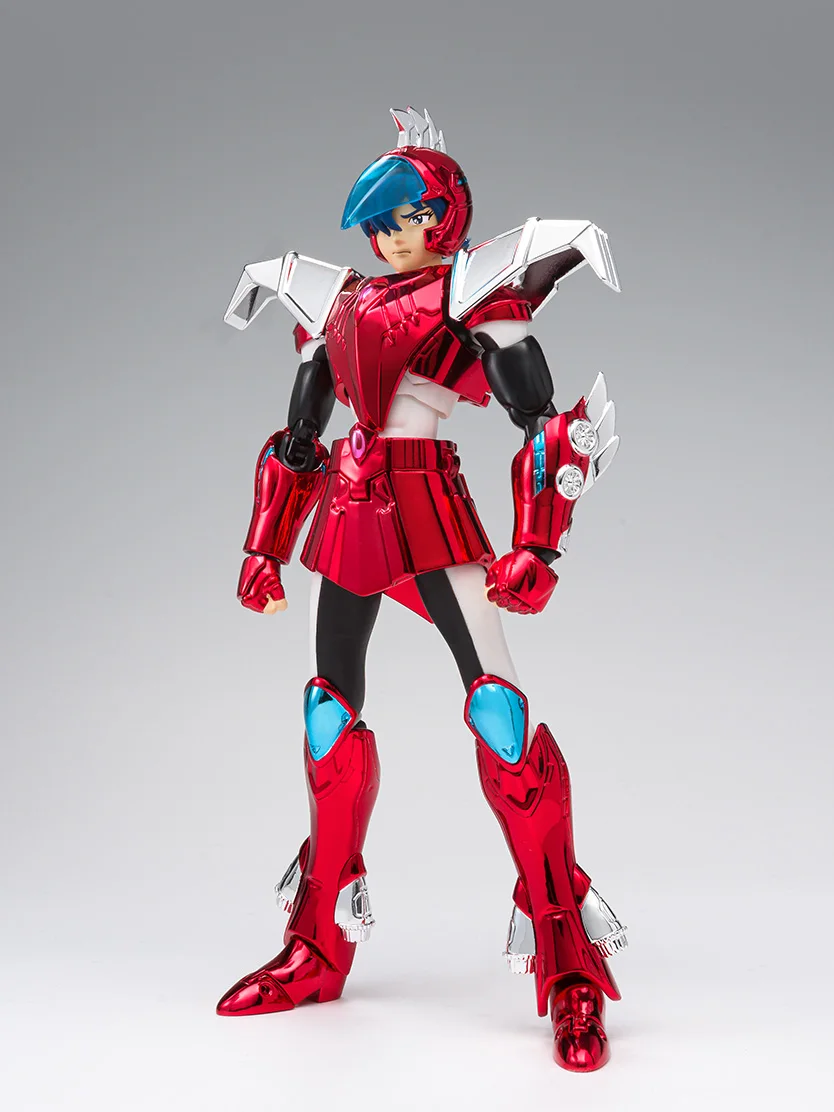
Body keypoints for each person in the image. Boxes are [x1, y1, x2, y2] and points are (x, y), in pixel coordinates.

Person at [218, 107, 627, 1072]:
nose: (389, 236)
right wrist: (265, 547)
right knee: (328, 717)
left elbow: (545, 423)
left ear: (443, 215)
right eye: (378, 223)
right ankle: (318, 946)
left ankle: (567, 959)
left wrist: (537, 547)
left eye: (405, 217)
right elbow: (301, 437)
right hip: (349, 511)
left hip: (431, 505)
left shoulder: (472, 288)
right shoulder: (337, 302)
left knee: (499, 716)